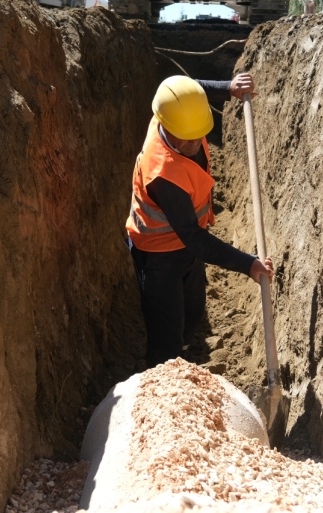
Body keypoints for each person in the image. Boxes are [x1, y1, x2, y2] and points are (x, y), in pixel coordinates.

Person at [125, 74, 274, 368]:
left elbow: (188, 92)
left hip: (186, 244)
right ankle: (161, 381)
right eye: (186, 136)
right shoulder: (163, 172)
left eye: (199, 133)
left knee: (192, 312)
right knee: (165, 339)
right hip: (159, 254)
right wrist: (248, 264)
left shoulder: (179, 115)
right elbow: (193, 238)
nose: (194, 142)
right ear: (165, 124)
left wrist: (227, 88)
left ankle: (178, 350)